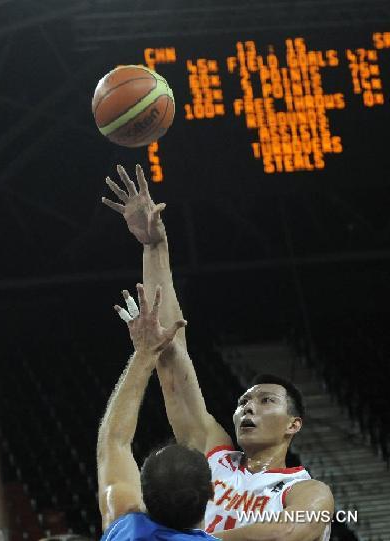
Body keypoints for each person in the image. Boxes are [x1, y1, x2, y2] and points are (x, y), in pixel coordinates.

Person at [103, 165, 334, 541]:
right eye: (244, 401)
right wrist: (153, 246)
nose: (248, 407)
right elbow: (171, 356)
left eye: (266, 401)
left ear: (294, 424)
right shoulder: (213, 453)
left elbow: (289, 533)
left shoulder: (308, 491)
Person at [97, 282, 218, 541]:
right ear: (211, 492)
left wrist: (144, 353)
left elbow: (114, 440)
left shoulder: (124, 528)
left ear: (141, 494)